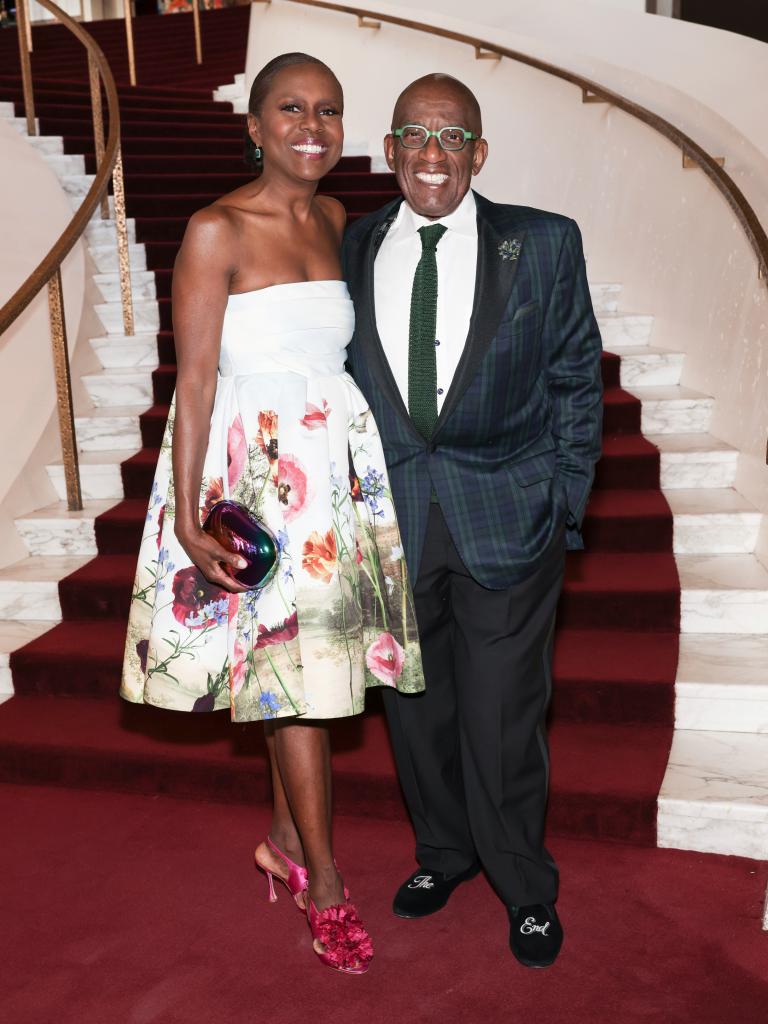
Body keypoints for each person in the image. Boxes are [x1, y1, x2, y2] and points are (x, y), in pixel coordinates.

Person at [120, 52, 424, 976]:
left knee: (299, 670)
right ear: (253, 125)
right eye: (290, 108)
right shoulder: (216, 230)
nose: (312, 126)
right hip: (259, 478)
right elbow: (198, 380)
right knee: (296, 678)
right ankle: (324, 886)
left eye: (328, 111)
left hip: (334, 470)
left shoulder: (334, 218)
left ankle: (283, 844)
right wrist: (183, 517)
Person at [343, 73, 603, 968]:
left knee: (501, 717)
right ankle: (445, 854)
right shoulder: (351, 244)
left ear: (478, 153)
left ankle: (524, 883)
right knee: (415, 712)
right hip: (396, 522)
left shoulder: (541, 244)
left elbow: (576, 377)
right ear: (389, 149)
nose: (430, 154)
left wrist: (566, 497)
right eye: (413, 133)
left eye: (451, 137)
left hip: (508, 516)